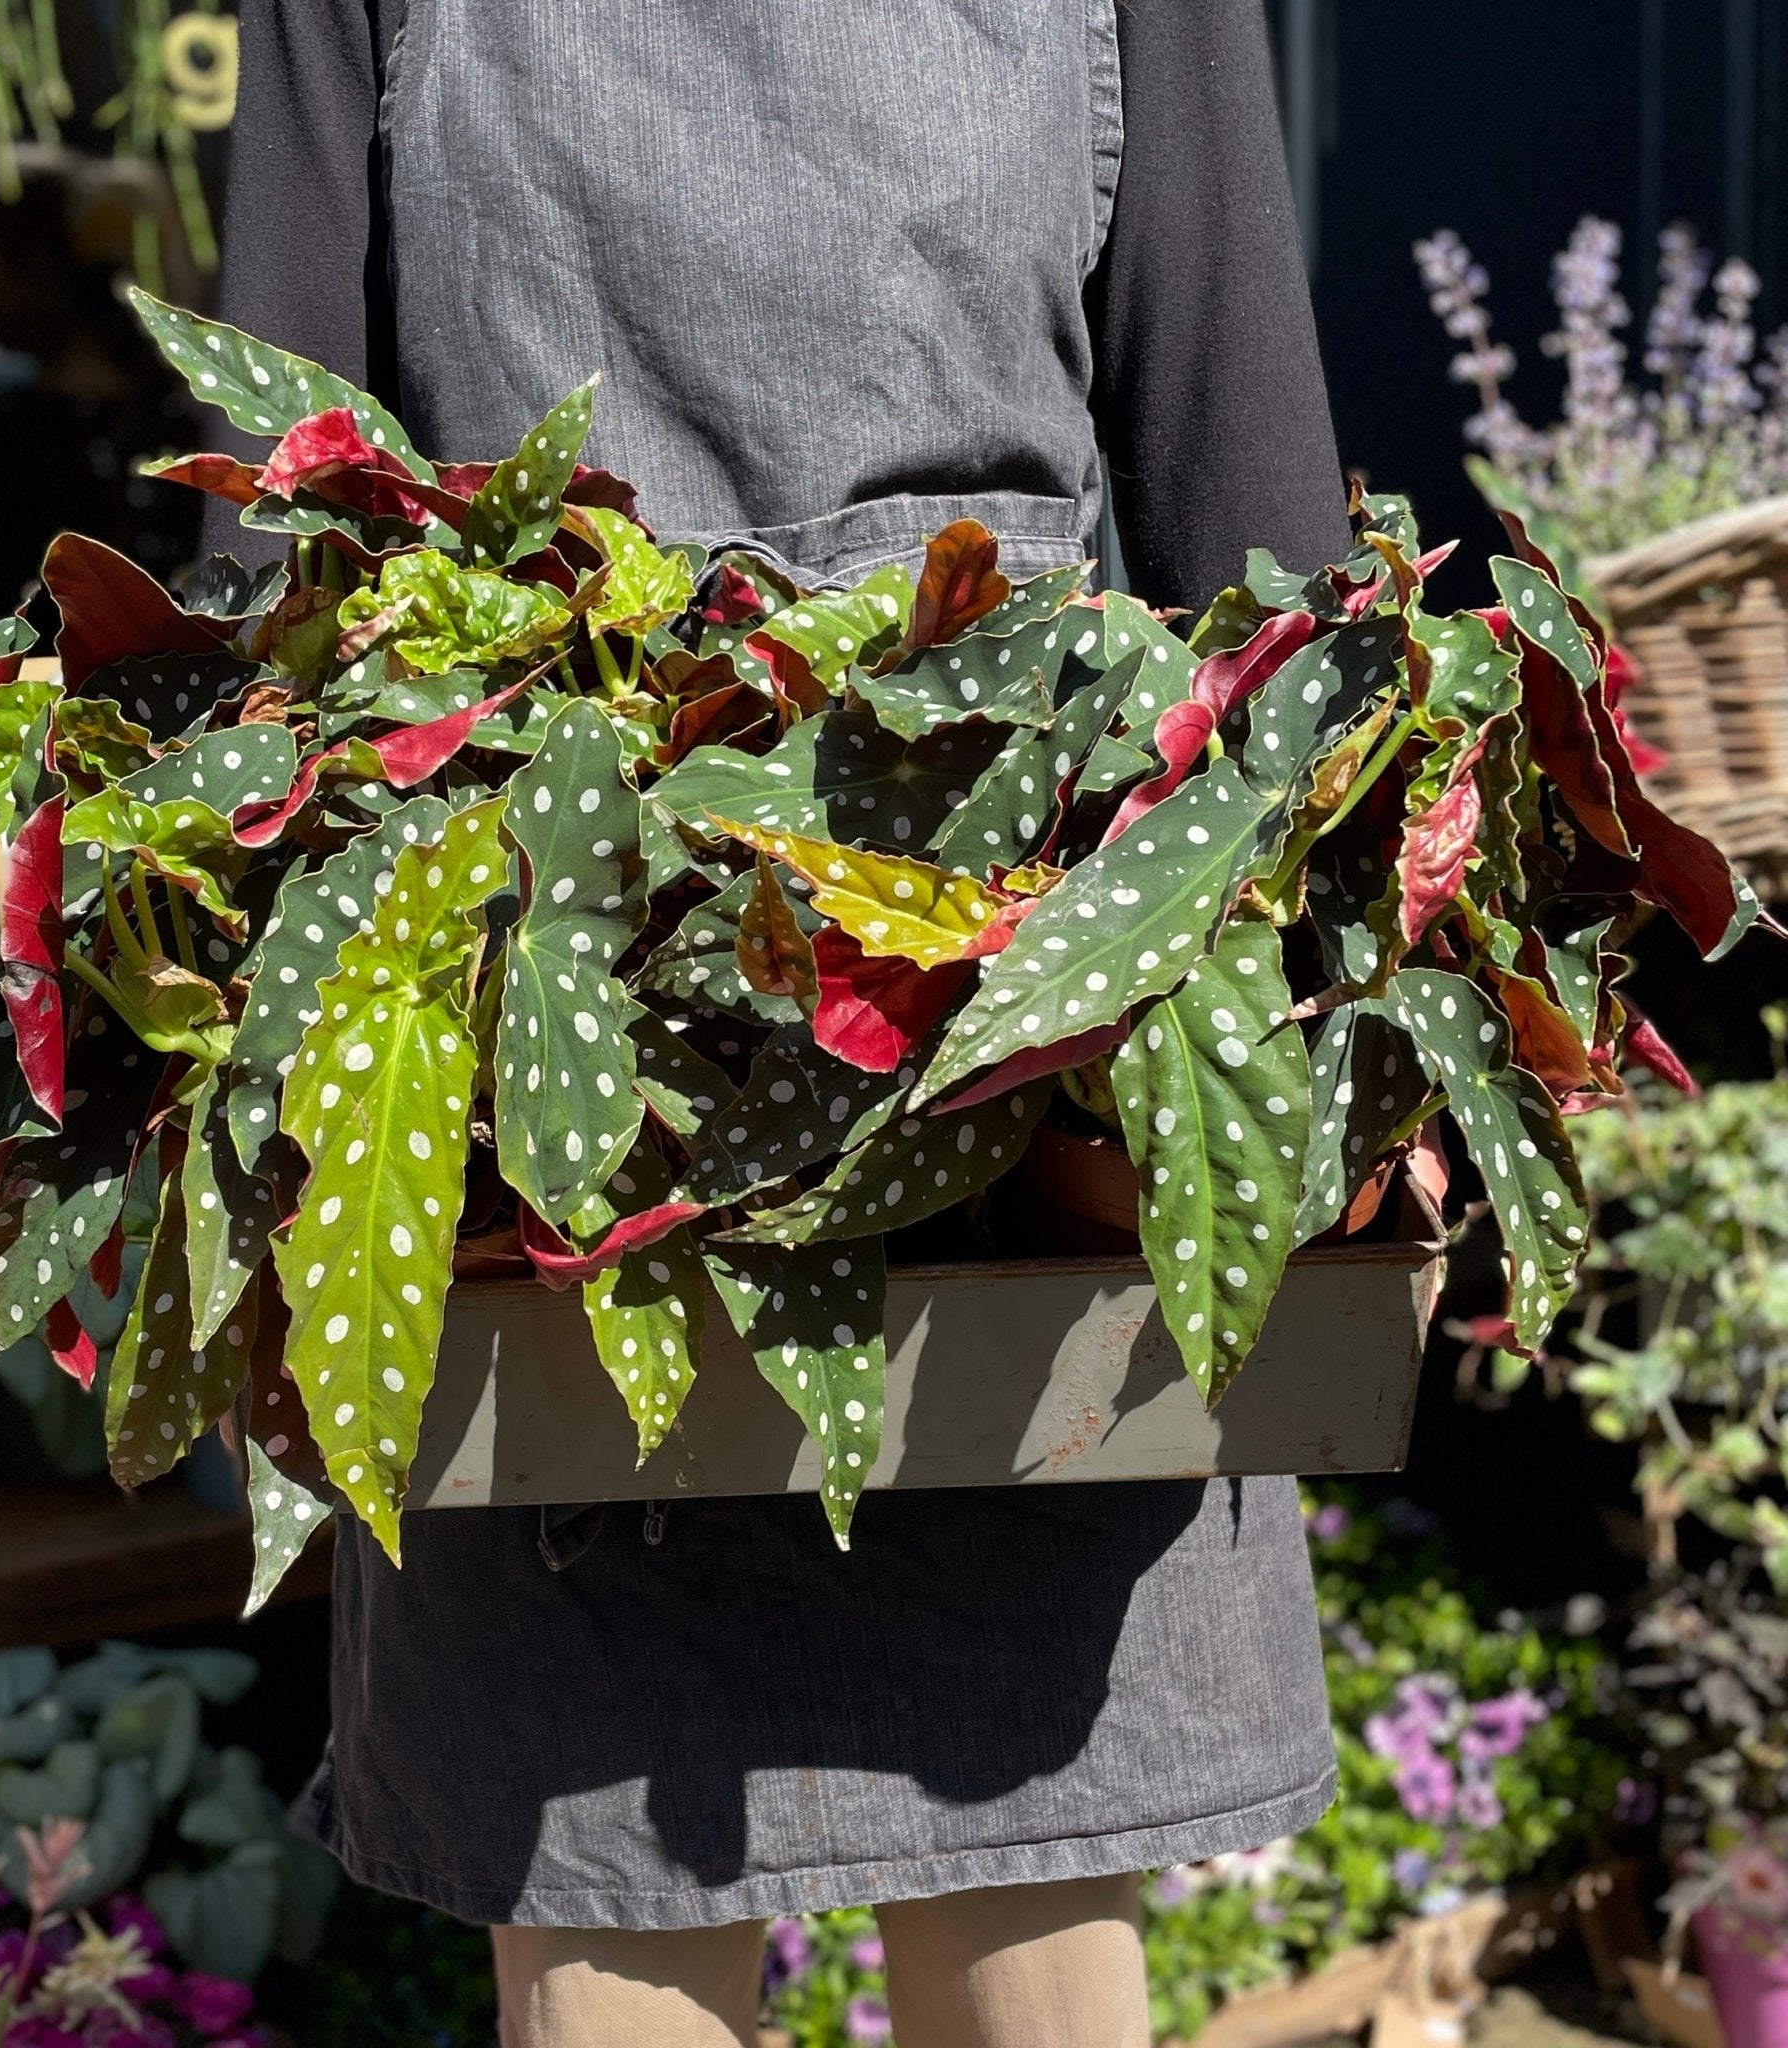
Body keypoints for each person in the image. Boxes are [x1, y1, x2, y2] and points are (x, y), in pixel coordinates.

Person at [209, 3, 1350, 2041]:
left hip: (962, 1097)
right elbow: (1261, 561)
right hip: (560, 1146)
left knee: (979, 1940)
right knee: (674, 1937)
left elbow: (1248, 552)